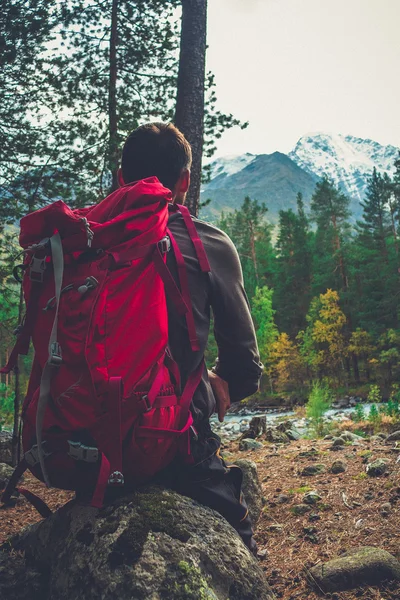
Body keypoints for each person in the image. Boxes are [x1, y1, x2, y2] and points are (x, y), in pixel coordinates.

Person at [119, 122, 263, 552]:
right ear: (185, 181)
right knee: (239, 541)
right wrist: (217, 380)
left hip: (87, 437)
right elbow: (245, 364)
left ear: (123, 179)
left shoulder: (86, 240)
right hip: (176, 441)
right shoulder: (208, 243)